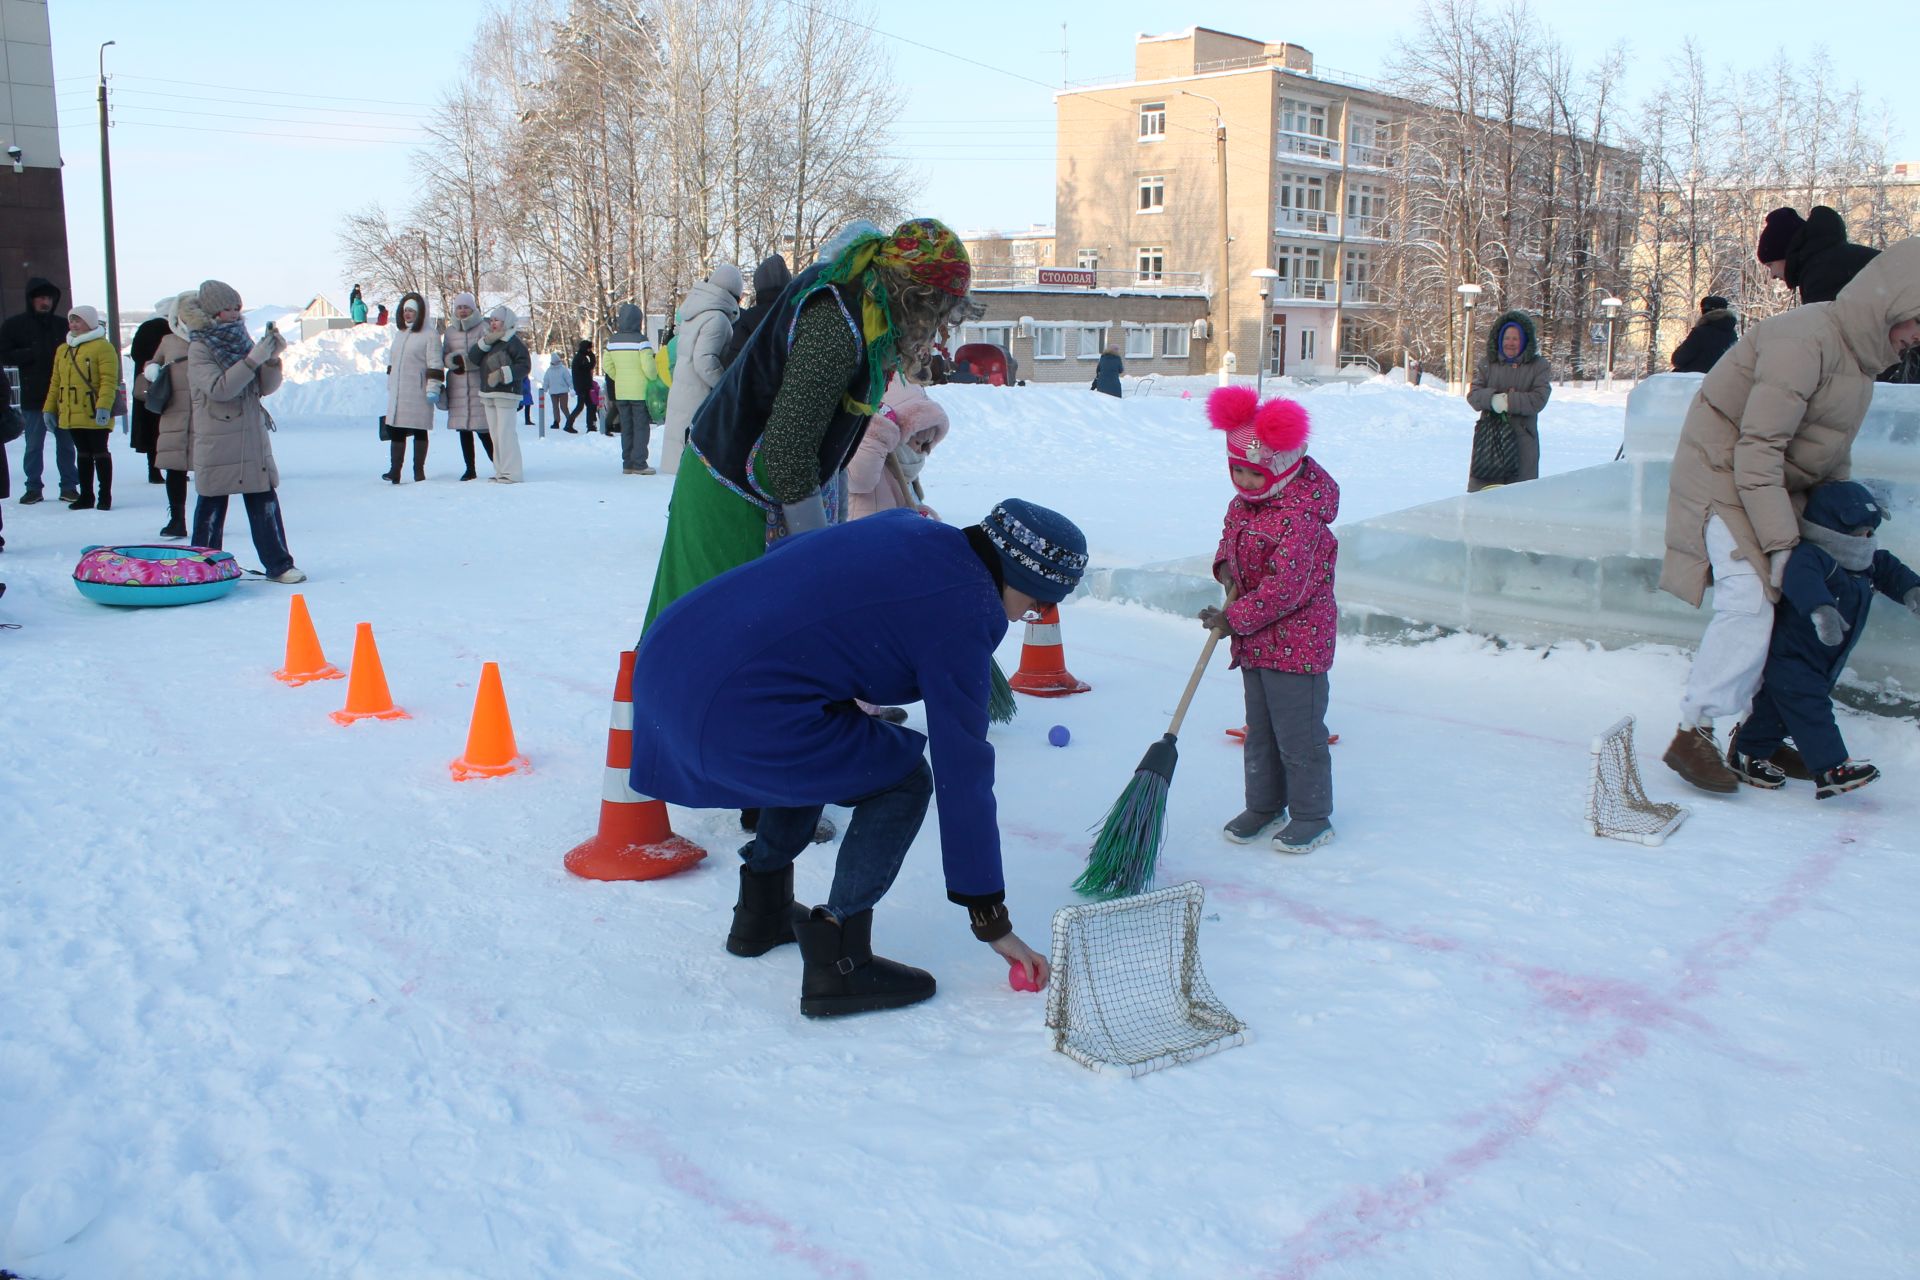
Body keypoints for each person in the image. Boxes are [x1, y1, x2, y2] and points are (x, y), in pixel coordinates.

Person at [630, 499, 1086, 1016]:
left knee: (835, 740)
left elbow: (793, 561)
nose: (1024, 616)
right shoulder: (966, 608)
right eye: (1033, 605)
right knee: (902, 777)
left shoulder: (906, 527)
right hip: (728, 709)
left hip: (670, 664)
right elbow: (964, 767)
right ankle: (839, 960)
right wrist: (989, 915)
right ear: (1019, 575)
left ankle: (762, 912)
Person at [1659, 238, 1920, 792]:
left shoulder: (1860, 363)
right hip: (1723, 474)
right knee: (1751, 597)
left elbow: (1832, 457)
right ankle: (1694, 730)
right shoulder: (1806, 340)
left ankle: (1756, 737)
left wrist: (1841, 528)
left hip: (1772, 484)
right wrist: (1781, 547)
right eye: (1917, 321)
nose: (1918, 336)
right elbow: (1756, 452)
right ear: (1894, 305)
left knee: (1799, 605)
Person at [643, 220, 974, 631]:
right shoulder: (836, 322)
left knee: (765, 636)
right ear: (914, 296)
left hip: (769, 482)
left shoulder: (867, 308)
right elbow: (787, 452)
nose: (938, 329)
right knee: (717, 633)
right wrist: (817, 556)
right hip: (733, 489)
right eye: (937, 313)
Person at [1197, 387, 1340, 854]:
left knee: (1298, 738)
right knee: (1259, 732)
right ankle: (1263, 806)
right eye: (1235, 468)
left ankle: (1312, 816)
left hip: (1298, 645)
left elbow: (1286, 590)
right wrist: (1224, 570)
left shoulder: (1302, 520)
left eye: (1252, 472)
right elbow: (1229, 543)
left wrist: (1232, 618)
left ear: (1280, 468)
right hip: (1256, 642)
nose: (1242, 479)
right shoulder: (1243, 505)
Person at [1724, 482, 1920, 800]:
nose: (1865, 542)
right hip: (1791, 655)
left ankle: (1747, 755)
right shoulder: (1813, 557)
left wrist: (1913, 591)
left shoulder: (1867, 563)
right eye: (1858, 535)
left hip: (1823, 660)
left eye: (1870, 534)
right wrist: (1822, 610)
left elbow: (1893, 572)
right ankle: (1831, 768)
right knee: (1811, 708)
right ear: (1829, 528)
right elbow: (1803, 583)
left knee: (1775, 710)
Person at [182, 280, 305, 584]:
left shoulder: (240, 338)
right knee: (212, 502)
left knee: (264, 499)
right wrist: (253, 359)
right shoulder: (199, 346)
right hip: (218, 436)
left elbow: (263, 387)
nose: (236, 314)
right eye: (228, 309)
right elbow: (220, 389)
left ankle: (279, 565)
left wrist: (272, 359)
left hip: (250, 434)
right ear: (213, 311)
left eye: (238, 307)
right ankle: (202, 567)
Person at [657, 263, 744, 475]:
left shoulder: (696, 311)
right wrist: (725, 385)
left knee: (681, 468)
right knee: (693, 469)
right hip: (698, 398)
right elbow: (704, 361)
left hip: (683, 392)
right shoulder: (717, 318)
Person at [2, 277, 78, 504]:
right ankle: (33, 487)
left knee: (66, 444)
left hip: (63, 396)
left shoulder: (61, 325)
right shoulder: (15, 326)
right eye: (41, 298)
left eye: (48, 298)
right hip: (34, 394)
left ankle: (69, 486)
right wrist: (29, 355)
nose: (45, 302)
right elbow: (4, 353)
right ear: (31, 299)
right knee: (33, 445)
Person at [1464, 309, 1552, 492]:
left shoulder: (1538, 366)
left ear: (1525, 340)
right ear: (1499, 339)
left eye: (1515, 338)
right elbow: (1473, 396)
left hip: (1522, 442)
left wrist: (1509, 401)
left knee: (1519, 497)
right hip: (1488, 442)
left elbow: (1539, 399)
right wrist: (1493, 398)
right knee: (1485, 497)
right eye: (1506, 338)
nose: (1510, 343)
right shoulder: (1487, 363)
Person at [44, 304, 120, 511]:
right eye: (72, 320)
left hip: (93, 410)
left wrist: (104, 406)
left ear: (90, 322)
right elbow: (55, 381)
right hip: (70, 411)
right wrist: (49, 408)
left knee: (100, 453)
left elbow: (108, 380)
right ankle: (86, 495)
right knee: (83, 454)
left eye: (78, 320)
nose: (74, 324)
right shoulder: (64, 349)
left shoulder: (102, 347)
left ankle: (105, 495)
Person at [134, 292, 196, 537]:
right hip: (174, 411)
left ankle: (207, 518)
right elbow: (151, 362)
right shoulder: (169, 340)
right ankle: (177, 519)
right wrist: (152, 370)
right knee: (175, 466)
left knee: (209, 469)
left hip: (205, 412)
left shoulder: (211, 340)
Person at [848, 374, 948, 521]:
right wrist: (877, 432)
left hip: (891, 536)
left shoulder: (905, 466)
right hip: (864, 535)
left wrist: (917, 512)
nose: (920, 451)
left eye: (926, 444)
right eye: (918, 442)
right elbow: (860, 479)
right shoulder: (870, 450)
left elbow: (901, 501)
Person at [1757, 206, 1880, 305]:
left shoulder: (1823, 273)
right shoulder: (1830, 259)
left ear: (1785, 253)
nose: (1772, 275)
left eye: (1770, 264)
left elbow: (1826, 332)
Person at [468, 305, 530, 483]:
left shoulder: (513, 342)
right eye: (492, 320)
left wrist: (503, 374)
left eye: (497, 320)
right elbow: (473, 357)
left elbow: (524, 366)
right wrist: (485, 342)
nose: (493, 323)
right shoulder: (490, 341)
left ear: (507, 322)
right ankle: (501, 470)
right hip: (489, 393)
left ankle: (512, 472)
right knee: (495, 434)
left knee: (505, 433)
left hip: (507, 394)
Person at [382, 292, 439, 484]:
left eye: (411, 311)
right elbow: (393, 361)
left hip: (418, 390)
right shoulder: (400, 334)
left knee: (419, 429)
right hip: (399, 390)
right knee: (395, 429)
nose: (407, 314)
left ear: (419, 313)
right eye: (405, 310)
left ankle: (418, 471)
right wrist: (391, 381)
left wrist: (433, 387)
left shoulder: (430, 335)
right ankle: (395, 470)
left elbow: (435, 363)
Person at [604, 303, 663, 474]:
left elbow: (607, 365)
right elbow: (649, 368)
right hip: (639, 391)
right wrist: (652, 378)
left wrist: (618, 377)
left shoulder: (612, 342)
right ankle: (640, 464)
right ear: (638, 321)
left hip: (621, 391)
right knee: (641, 427)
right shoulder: (641, 341)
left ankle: (627, 463)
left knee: (626, 427)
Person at [441, 291, 493, 480]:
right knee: (463, 429)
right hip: (458, 385)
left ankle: (499, 464)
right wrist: (452, 361)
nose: (462, 311)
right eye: (459, 307)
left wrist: (469, 362)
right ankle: (470, 469)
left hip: (478, 383)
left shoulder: (483, 328)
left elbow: (489, 354)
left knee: (483, 429)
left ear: (473, 308)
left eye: (466, 307)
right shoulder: (450, 332)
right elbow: (444, 355)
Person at [722, 253, 793, 367]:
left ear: (758, 284)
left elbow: (733, 365)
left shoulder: (748, 319)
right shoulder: (799, 315)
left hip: (753, 384)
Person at [128, 310, 171, 485]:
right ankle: (174, 469)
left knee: (150, 430)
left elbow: (136, 354)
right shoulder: (169, 331)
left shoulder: (145, 328)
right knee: (168, 430)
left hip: (146, 387)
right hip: (167, 386)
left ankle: (154, 470)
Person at [1670, 296, 1738, 374]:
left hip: (1697, 381)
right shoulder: (1732, 334)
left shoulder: (1700, 333)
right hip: (1722, 381)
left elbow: (1678, 360)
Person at [566, 339, 597, 433]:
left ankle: (590, 426)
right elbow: (590, 366)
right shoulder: (580, 358)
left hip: (584, 386)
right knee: (581, 406)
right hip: (582, 387)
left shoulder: (581, 357)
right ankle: (569, 424)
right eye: (589, 349)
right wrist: (592, 356)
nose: (590, 350)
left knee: (590, 406)